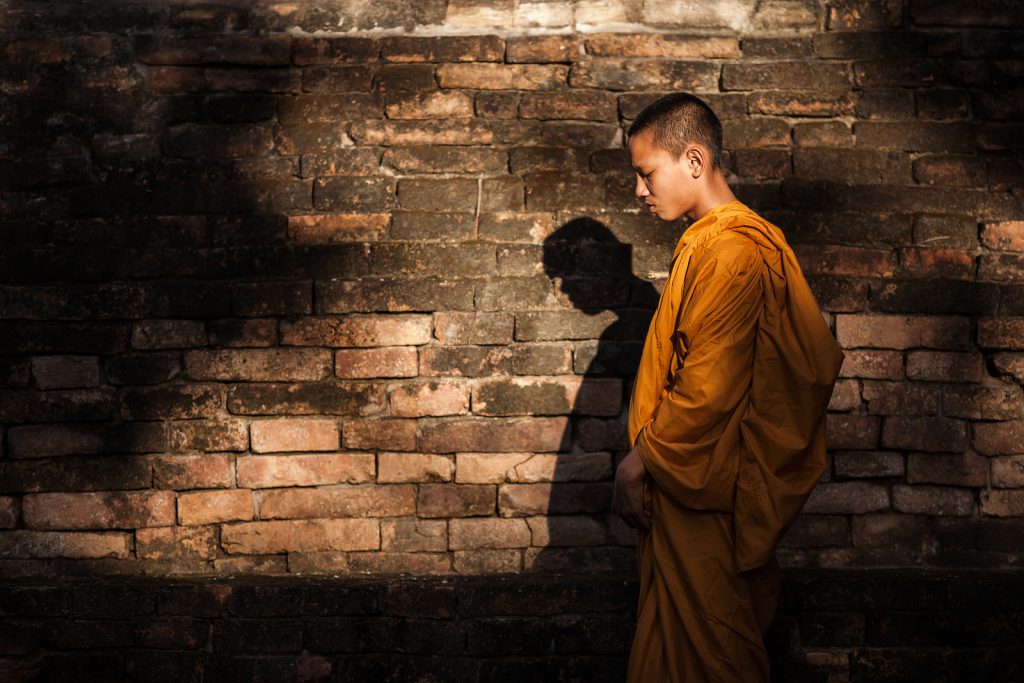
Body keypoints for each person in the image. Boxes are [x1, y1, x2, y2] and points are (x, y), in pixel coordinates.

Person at [612, 92, 845, 681]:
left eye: (646, 174)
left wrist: (638, 462)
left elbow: (708, 388)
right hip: (688, 494)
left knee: (715, 659)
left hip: (704, 494)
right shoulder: (710, 244)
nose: (639, 191)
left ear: (693, 160)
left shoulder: (735, 252)